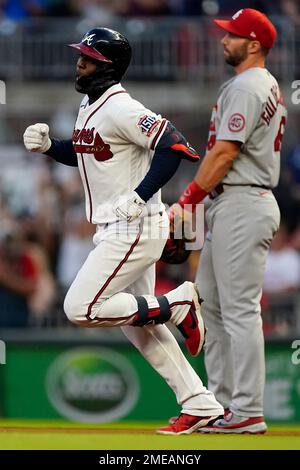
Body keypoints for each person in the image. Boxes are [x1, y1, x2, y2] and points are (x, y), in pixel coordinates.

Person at [23, 27, 224, 434]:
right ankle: (200, 403)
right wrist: (51, 147)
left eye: (88, 58)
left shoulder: (121, 108)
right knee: (139, 325)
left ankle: (179, 303)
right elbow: (89, 155)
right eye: (81, 55)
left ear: (108, 66)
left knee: (79, 308)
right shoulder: (90, 104)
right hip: (118, 227)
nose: (79, 62)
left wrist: (141, 193)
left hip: (132, 225)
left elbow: (177, 145)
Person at [171, 8, 287, 433]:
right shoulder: (258, 85)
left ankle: (248, 409)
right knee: (210, 306)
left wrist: (189, 199)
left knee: (237, 310)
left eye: (233, 35)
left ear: (254, 43)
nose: (224, 39)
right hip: (233, 202)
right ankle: (217, 404)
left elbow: (225, 152)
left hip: (243, 198)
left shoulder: (250, 84)